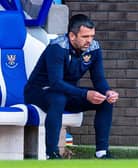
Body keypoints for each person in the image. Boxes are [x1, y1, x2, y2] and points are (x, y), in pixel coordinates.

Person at [24, 14, 119, 159]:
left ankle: (102, 152)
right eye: (85, 36)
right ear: (72, 36)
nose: (90, 40)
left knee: (106, 101)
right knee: (58, 99)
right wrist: (85, 94)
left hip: (67, 92)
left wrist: (107, 91)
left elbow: (98, 78)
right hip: (40, 91)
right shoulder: (57, 47)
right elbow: (56, 83)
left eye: (92, 36)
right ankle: (52, 153)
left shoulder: (94, 48)